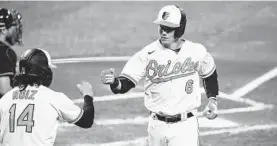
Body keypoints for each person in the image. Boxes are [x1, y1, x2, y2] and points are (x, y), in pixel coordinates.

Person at [100, 5, 219, 146]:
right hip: (156, 126)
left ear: (180, 29)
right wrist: (114, 82)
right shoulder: (148, 54)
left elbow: (209, 73)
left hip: (185, 127)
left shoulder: (196, 51)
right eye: (161, 27)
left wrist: (212, 99)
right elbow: (125, 83)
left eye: (168, 29)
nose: (163, 32)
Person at [0, 48, 95, 146]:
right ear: (43, 71)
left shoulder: (5, 98)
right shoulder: (53, 97)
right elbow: (86, 121)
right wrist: (88, 96)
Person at [0, 8, 23, 98]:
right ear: (4, 29)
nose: (16, 30)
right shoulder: (5, 52)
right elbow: (4, 89)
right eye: (13, 26)